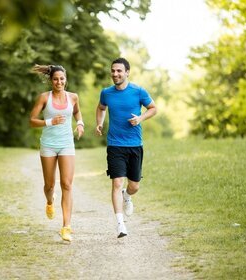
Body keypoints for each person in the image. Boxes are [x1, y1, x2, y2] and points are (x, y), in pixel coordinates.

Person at [95, 57, 157, 238]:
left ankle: (127, 196)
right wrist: (99, 123)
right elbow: (101, 108)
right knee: (116, 182)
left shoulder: (138, 91)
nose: (115, 74)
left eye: (119, 71)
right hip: (115, 145)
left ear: (127, 72)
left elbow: (153, 108)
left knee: (134, 186)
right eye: (113, 71)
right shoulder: (106, 93)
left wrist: (140, 119)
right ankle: (120, 225)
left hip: (135, 145)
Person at [30, 64, 84, 242]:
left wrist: (80, 123)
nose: (59, 82)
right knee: (50, 185)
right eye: (55, 79)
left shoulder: (73, 97)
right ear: (51, 80)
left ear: (65, 79)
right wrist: (49, 121)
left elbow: (76, 112)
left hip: (67, 144)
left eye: (62, 79)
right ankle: (50, 201)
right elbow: (32, 120)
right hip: (48, 145)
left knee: (67, 185)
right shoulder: (44, 98)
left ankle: (66, 227)